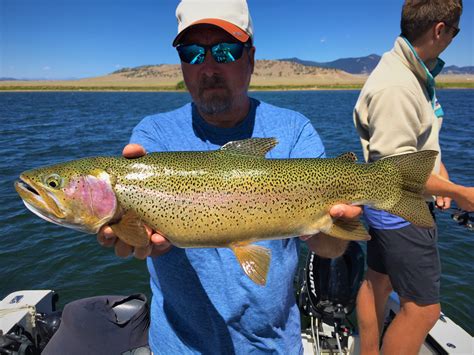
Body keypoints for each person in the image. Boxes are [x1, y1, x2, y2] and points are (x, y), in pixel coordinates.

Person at [96, 0, 361, 353]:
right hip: (180, 346)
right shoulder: (153, 137)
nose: (207, 66)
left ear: (250, 58)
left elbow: (329, 248)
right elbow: (142, 241)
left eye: (224, 51)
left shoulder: (295, 131)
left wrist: (335, 228)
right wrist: (135, 235)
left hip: (274, 345)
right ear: (182, 64)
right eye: (192, 53)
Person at [353, 1, 474, 354]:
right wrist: (461, 193)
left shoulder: (412, 73)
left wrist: (440, 173)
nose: (453, 38)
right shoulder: (398, 85)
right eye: (455, 32)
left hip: (386, 205)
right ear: (440, 30)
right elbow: (397, 169)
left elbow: (417, 142)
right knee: (423, 310)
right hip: (401, 210)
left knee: (377, 281)